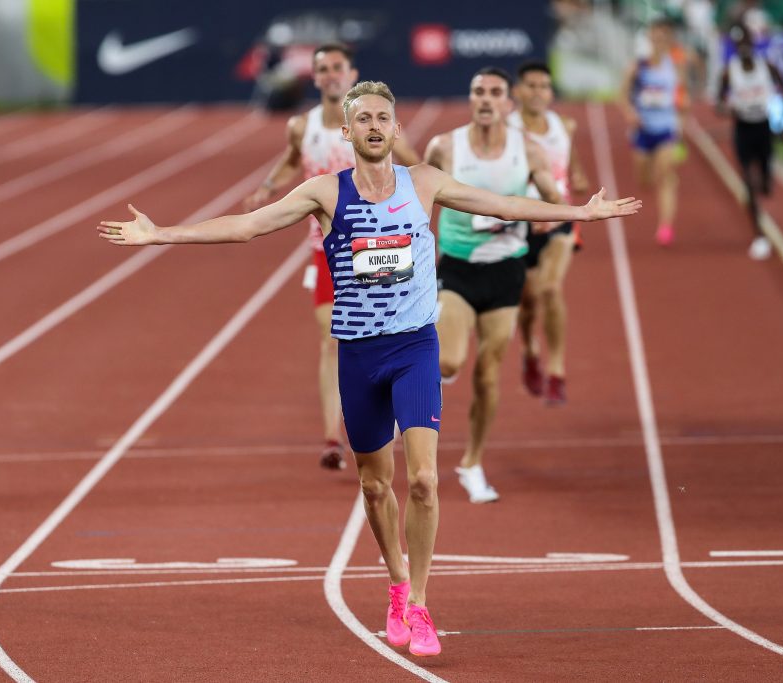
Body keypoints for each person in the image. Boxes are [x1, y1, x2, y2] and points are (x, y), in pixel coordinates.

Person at [97, 80, 641, 657]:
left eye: (385, 117)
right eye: (365, 119)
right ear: (348, 131)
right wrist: (161, 233)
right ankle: (396, 583)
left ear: (397, 129)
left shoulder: (423, 182)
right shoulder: (325, 193)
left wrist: (577, 212)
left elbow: (499, 204)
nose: (376, 126)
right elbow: (248, 225)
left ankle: (421, 605)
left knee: (425, 481)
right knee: (376, 484)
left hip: (414, 348)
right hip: (359, 356)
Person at [244, 44, 420, 470]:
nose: (329, 75)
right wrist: (269, 187)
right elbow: (292, 160)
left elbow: (414, 167)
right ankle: (331, 435)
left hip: (381, 248)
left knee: (386, 334)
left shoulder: (372, 124)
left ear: (351, 72)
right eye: (322, 69)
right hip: (326, 250)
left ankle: (389, 413)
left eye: (337, 67)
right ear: (315, 76)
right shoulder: (301, 125)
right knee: (333, 339)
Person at [424, 67, 567, 504]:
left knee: (487, 376)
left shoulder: (528, 150)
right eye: (478, 91)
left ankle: (472, 463)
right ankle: (429, 383)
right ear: (471, 98)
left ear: (509, 103)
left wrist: (547, 217)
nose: (486, 99)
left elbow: (554, 203)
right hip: (458, 268)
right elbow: (417, 198)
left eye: (495, 93)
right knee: (449, 360)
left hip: (506, 270)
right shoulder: (446, 146)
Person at [508, 62, 590, 406]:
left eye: (544, 86)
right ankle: (530, 349)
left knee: (551, 289)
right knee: (528, 301)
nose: (538, 92)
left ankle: (556, 372)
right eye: (531, 85)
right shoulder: (505, 130)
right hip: (518, 225)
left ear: (551, 93)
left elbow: (572, 168)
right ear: (518, 91)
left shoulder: (563, 126)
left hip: (558, 221)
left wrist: (578, 179)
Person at [718, 25, 783, 260]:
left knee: (765, 182)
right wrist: (729, 109)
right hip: (743, 129)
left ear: (752, 42)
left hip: (764, 127)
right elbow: (718, 103)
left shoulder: (765, 67)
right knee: (748, 181)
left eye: (747, 42)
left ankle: (766, 180)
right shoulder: (729, 72)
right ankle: (758, 234)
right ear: (735, 47)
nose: (744, 47)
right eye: (739, 44)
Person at [619, 16, 690, 246]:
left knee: (665, 177)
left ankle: (665, 226)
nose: (660, 40)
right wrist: (630, 113)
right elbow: (621, 96)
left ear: (669, 38)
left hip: (666, 128)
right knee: (645, 181)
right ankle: (660, 179)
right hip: (642, 130)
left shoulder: (676, 65)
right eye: (656, 35)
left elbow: (683, 95)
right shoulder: (638, 66)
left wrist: (682, 119)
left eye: (664, 35)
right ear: (650, 37)